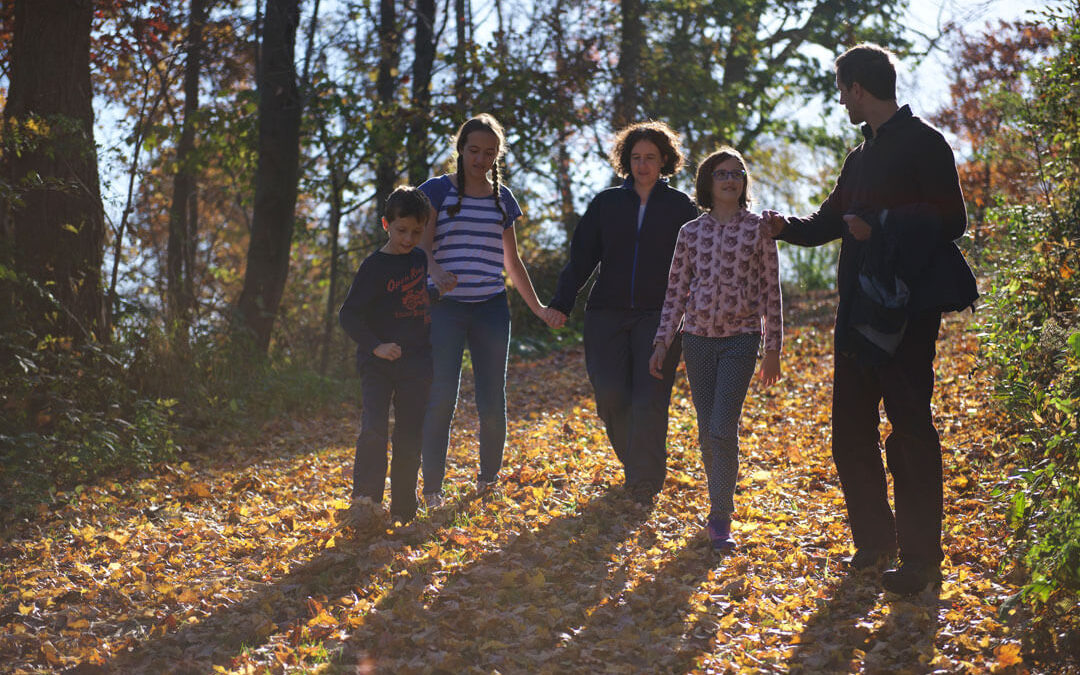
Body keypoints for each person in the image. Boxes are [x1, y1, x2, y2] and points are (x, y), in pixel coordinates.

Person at [760, 43, 978, 594]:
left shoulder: (925, 142)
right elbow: (831, 219)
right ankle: (875, 544)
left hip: (909, 313)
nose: (840, 101)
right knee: (849, 433)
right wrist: (784, 227)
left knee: (909, 432)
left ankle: (921, 560)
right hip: (856, 313)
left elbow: (953, 219)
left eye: (842, 90)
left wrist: (880, 222)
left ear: (858, 87)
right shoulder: (859, 158)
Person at [548, 121, 699, 506]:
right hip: (606, 314)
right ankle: (639, 465)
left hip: (659, 316)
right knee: (611, 394)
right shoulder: (607, 204)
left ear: (664, 160)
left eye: (651, 158)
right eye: (636, 158)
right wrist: (562, 303)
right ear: (626, 161)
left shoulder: (680, 206)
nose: (643, 165)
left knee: (650, 397)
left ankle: (644, 481)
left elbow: (698, 263)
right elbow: (581, 257)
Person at [418, 113, 561, 507]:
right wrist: (436, 271)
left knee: (491, 398)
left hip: (490, 309)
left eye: (489, 153)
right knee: (442, 394)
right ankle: (432, 489)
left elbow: (512, 263)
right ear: (460, 150)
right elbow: (421, 248)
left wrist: (538, 308)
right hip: (445, 308)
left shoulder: (503, 199)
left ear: (498, 156)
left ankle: (488, 481)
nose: (480, 159)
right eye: (474, 151)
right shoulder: (436, 191)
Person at [649, 147, 782, 551]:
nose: (730, 179)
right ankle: (717, 503)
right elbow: (674, 291)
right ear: (708, 182)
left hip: (741, 339)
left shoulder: (759, 228)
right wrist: (662, 341)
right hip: (698, 340)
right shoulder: (690, 233)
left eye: (737, 173)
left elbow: (770, 290)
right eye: (722, 174)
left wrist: (773, 346)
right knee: (709, 433)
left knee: (723, 426)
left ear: (744, 183)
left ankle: (721, 516)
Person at [338, 186, 455, 531]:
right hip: (378, 363)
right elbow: (349, 315)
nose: (409, 238)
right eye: (402, 230)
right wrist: (376, 345)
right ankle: (367, 503)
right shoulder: (374, 266)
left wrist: (436, 291)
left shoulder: (419, 258)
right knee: (374, 427)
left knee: (409, 433)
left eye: (417, 232)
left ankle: (404, 508)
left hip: (417, 362)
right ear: (386, 224)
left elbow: (412, 299)